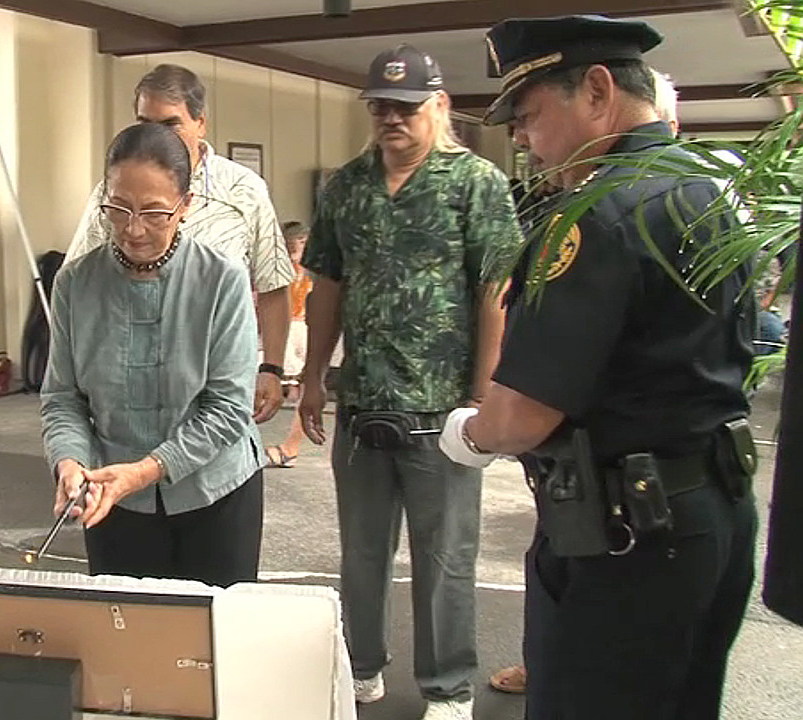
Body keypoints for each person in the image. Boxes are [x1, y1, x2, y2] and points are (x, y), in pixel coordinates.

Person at [439, 16, 758, 720]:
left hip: (629, 537)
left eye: (529, 115)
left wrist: (471, 431)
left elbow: (522, 415)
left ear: (596, 90)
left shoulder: (595, 216)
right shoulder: (706, 188)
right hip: (714, 510)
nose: (523, 139)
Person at [298, 44, 522, 720]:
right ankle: (359, 667)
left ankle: (448, 687)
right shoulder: (346, 186)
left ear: (439, 106)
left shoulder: (476, 183)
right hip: (363, 403)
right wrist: (311, 378)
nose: (392, 118)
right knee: (361, 555)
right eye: (380, 107)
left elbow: (496, 292)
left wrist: (482, 399)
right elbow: (327, 287)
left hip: (444, 413)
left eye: (406, 106)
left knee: (446, 560)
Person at [42, 122, 263, 588]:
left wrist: (143, 472)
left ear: (186, 206)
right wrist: (70, 462)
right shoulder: (75, 283)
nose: (133, 229)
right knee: (125, 640)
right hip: (113, 498)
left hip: (215, 495)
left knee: (213, 641)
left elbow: (229, 409)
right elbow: (63, 397)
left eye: (154, 212)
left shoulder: (222, 280)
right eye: (118, 209)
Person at [65, 64, 293, 425]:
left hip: (216, 391)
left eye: (170, 124)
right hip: (131, 391)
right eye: (145, 123)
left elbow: (273, 281)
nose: (157, 136)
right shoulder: (111, 194)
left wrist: (272, 368)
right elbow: (77, 284)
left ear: (200, 122)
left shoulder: (243, 190)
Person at [265, 221, 311, 468]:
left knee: (306, 385)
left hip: (303, 327)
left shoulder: (309, 271)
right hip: (291, 327)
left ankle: (291, 447)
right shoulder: (282, 268)